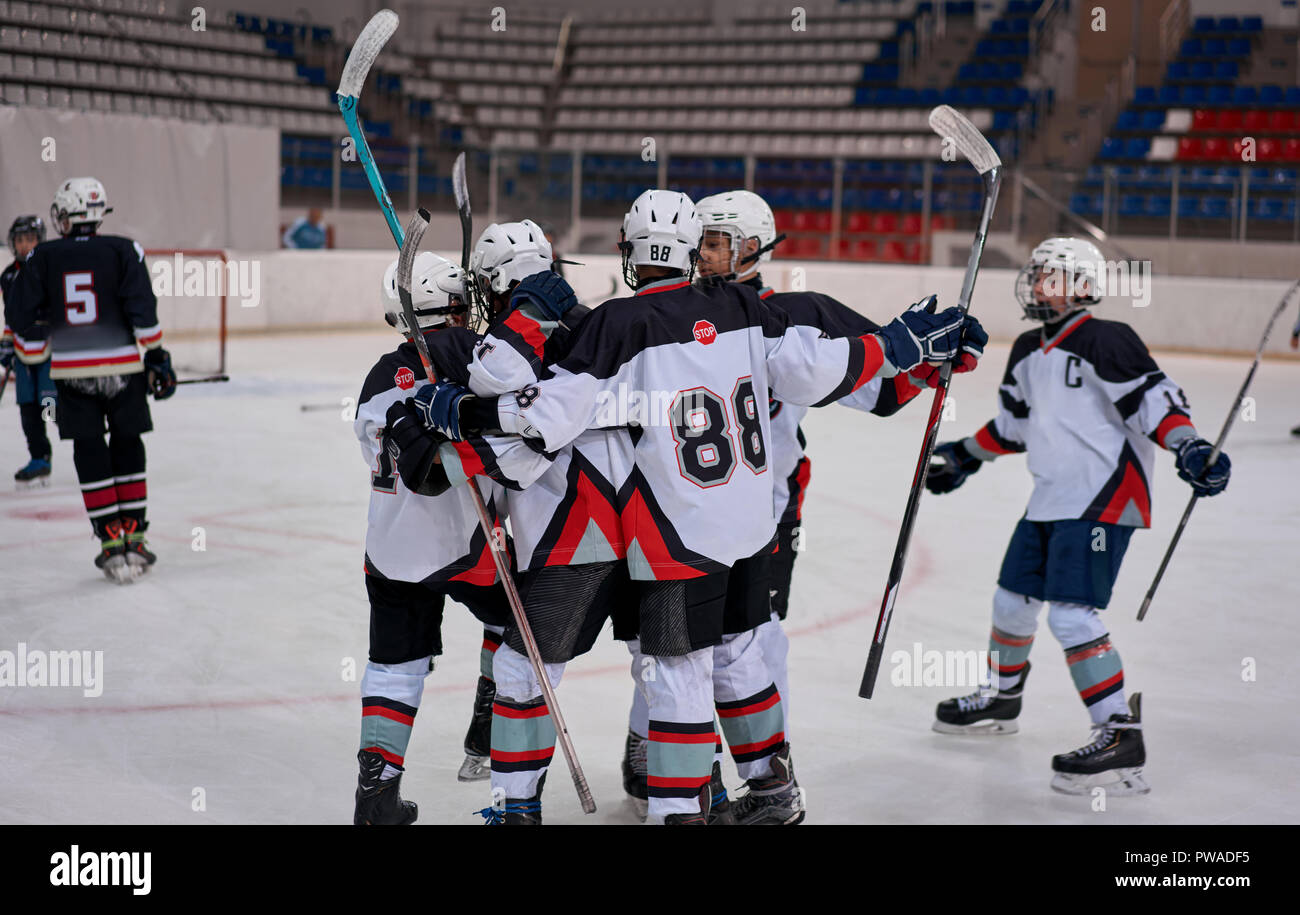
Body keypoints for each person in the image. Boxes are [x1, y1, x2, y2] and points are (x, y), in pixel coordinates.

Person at [414, 189, 980, 824]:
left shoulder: (618, 324)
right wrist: (903, 345)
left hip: (675, 534)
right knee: (740, 652)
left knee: (676, 670)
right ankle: (772, 790)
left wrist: (462, 411)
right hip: (749, 528)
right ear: (692, 250)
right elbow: (812, 369)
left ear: (627, 252)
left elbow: (545, 421)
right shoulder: (743, 304)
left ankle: (678, 812)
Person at [610, 189, 987, 823]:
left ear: (753, 248)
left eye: (716, 240)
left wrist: (932, 358)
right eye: (698, 239)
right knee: (673, 649)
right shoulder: (667, 316)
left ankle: (753, 778)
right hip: (677, 513)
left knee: (739, 645)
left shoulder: (793, 313)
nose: (702, 252)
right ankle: (670, 758)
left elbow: (880, 386)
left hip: (761, 516)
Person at [926, 236, 1231, 796]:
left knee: (1071, 616)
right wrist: (966, 455)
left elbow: (1152, 401)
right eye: (1038, 273)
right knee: (1010, 601)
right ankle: (1003, 697)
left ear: (1085, 287)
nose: (1040, 283)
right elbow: (1016, 425)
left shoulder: (1106, 339)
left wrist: (1189, 446)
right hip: (1050, 499)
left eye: (1054, 275)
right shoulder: (1024, 348)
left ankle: (1119, 734)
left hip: (1104, 499)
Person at [392, 219, 639, 823]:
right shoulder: (603, 329)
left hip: (578, 536)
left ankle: (517, 807)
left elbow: (522, 448)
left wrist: (450, 434)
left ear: (503, 286)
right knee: (666, 663)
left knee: (520, 669)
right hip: (652, 533)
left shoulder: (520, 350)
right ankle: (684, 788)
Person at [352, 251, 515, 823]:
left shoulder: (378, 376)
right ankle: (488, 729)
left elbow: (377, 444)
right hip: (466, 544)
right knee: (518, 623)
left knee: (395, 664)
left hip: (392, 550)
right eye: (457, 307)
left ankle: (376, 792)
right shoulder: (473, 366)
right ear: (445, 312)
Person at [6, 177, 176, 583]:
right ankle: (135, 533)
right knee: (128, 442)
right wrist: (156, 356)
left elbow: (18, 317)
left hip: (71, 374)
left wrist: (53, 317)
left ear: (66, 215)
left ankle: (109, 538)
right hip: (122, 370)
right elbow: (143, 311)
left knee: (89, 448)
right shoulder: (123, 249)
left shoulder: (42, 256)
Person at [1, 215, 56, 488]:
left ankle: (88, 447)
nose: (24, 245)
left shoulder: (50, 269)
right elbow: (10, 317)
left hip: (49, 350)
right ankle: (40, 458)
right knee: (27, 408)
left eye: (29, 239)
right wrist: (7, 342)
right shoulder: (9, 276)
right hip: (23, 353)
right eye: (20, 240)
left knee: (51, 407)